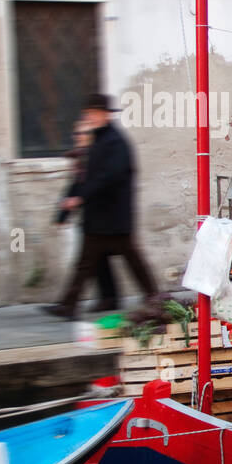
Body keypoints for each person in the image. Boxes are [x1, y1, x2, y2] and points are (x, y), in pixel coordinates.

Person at [44, 94, 158, 319]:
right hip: (101, 216)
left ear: (105, 115)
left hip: (112, 216)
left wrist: (80, 198)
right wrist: (70, 206)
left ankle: (71, 305)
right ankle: (126, 298)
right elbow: (84, 176)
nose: (90, 118)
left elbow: (108, 177)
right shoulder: (99, 140)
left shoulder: (115, 142)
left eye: (93, 114)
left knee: (105, 262)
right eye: (89, 114)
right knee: (94, 262)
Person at [58, 118, 119, 311]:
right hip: (93, 217)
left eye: (81, 133)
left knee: (87, 263)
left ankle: (69, 304)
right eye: (76, 133)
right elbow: (75, 185)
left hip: (102, 215)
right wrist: (62, 215)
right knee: (99, 260)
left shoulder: (93, 156)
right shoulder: (82, 157)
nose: (77, 137)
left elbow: (96, 184)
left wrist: (75, 203)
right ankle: (110, 298)